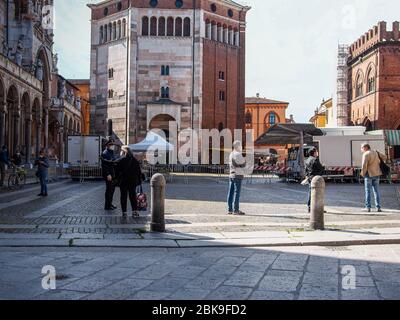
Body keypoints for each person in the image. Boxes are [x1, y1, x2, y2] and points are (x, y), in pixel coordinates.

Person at [114, 145, 143, 218]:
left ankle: (124, 212)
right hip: (133, 182)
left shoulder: (121, 160)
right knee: (133, 196)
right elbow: (139, 172)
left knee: (123, 197)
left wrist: (116, 179)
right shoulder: (135, 160)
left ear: (123, 152)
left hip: (123, 181)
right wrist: (139, 181)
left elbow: (116, 172)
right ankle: (135, 211)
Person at [361, 143, 387, 212]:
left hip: (368, 174)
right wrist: (378, 155)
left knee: (368, 191)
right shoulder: (376, 152)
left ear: (365, 147)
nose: (361, 149)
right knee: (376, 191)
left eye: (362, 148)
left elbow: (364, 165)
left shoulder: (366, 154)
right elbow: (385, 157)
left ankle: (368, 207)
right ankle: (378, 207)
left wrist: (362, 174)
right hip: (377, 174)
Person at [227, 141, 246, 215]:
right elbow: (244, 164)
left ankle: (230, 209)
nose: (241, 147)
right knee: (237, 193)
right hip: (237, 175)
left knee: (230, 193)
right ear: (238, 146)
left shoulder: (231, 154)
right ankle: (236, 210)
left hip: (231, 174)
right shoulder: (238, 154)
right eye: (241, 145)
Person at [305, 149, 324, 213]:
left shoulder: (307, 160)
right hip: (316, 178)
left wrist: (307, 176)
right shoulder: (315, 160)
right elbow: (320, 169)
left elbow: (306, 170)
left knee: (310, 192)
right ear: (314, 153)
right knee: (318, 193)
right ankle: (318, 208)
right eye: (316, 152)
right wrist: (323, 166)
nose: (317, 153)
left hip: (310, 178)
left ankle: (309, 207)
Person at [101, 139, 117, 211]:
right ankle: (107, 206)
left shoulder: (111, 152)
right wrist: (108, 174)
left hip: (113, 174)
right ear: (107, 145)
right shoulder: (105, 153)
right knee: (109, 190)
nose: (112, 146)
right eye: (111, 144)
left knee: (112, 190)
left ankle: (110, 203)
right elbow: (104, 165)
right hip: (109, 175)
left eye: (113, 144)